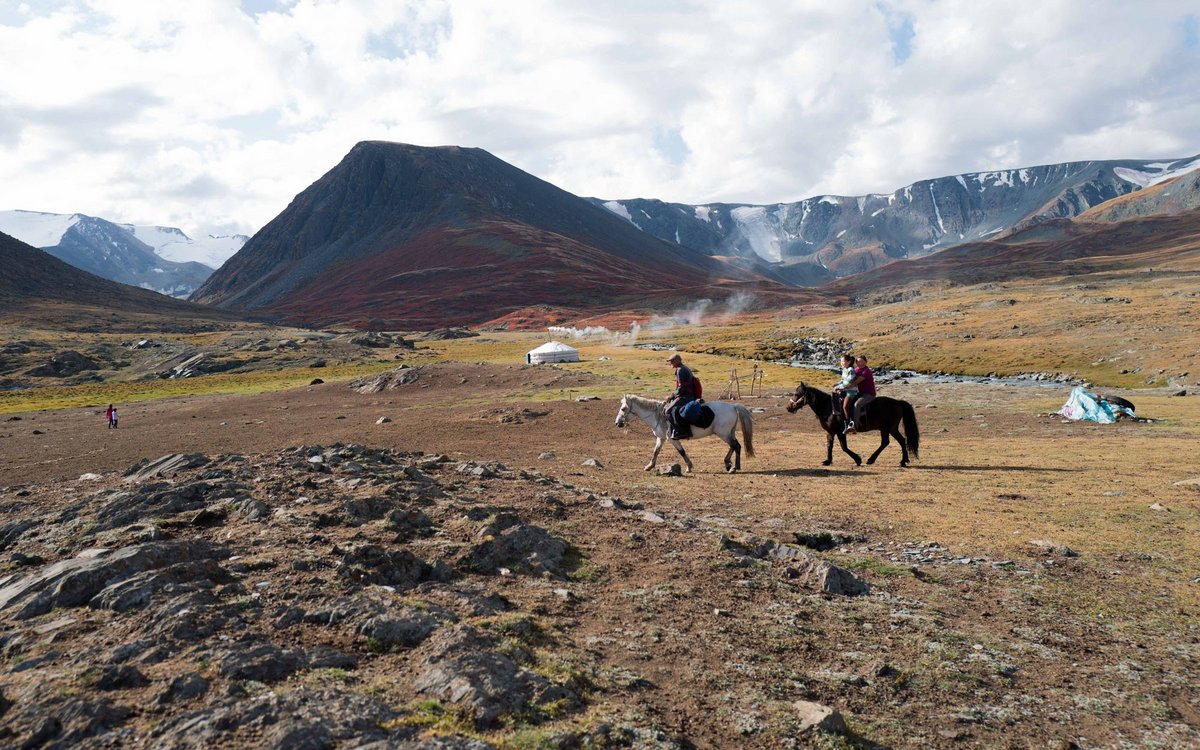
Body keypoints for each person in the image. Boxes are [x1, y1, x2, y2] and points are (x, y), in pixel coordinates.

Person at [664, 353, 696, 440]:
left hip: (686, 397)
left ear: (677, 361)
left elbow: (681, 387)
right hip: (688, 395)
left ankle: (680, 432)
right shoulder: (684, 368)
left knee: (668, 411)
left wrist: (671, 396)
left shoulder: (680, 370)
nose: (670, 363)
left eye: (672, 361)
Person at [844, 355, 877, 434]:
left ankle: (855, 426)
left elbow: (855, 382)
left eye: (862, 361)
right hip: (860, 393)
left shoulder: (866, 371)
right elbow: (850, 378)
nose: (860, 363)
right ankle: (847, 422)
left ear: (866, 362)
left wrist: (844, 387)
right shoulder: (856, 370)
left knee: (857, 404)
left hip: (869, 393)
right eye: (858, 362)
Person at [832, 353, 856, 424]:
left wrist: (838, 387)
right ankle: (838, 414)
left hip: (851, 391)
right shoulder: (844, 369)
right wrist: (836, 384)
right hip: (845, 390)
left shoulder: (851, 370)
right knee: (834, 396)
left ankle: (849, 423)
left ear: (848, 362)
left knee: (845, 406)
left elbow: (848, 382)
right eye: (841, 361)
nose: (842, 363)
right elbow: (842, 380)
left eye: (843, 361)